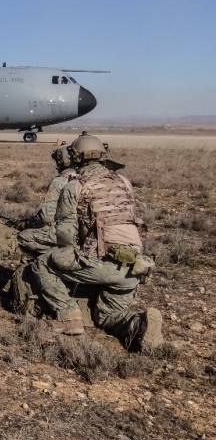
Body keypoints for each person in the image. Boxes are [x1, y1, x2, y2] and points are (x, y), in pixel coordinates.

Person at [31, 133, 162, 350]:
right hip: (134, 266)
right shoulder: (124, 181)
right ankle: (138, 325)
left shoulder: (74, 186)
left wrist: (71, 255)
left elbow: (64, 235)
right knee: (106, 315)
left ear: (75, 157)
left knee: (44, 263)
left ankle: (68, 318)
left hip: (103, 262)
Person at [17, 142, 77, 254]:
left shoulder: (59, 182)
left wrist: (27, 224)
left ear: (60, 160)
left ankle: (53, 255)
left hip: (67, 232)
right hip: (84, 232)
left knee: (23, 237)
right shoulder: (84, 177)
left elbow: (46, 217)